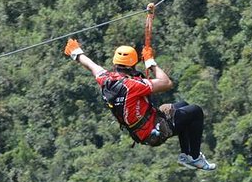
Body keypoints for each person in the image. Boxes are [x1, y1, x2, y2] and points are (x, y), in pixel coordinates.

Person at [64, 38, 216, 171]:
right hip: (153, 131)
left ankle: (185, 155)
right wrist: (151, 62)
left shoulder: (105, 79)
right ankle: (194, 157)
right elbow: (166, 83)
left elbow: (90, 65)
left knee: (183, 106)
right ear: (132, 66)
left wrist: (76, 53)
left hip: (141, 129)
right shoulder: (133, 85)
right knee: (195, 112)